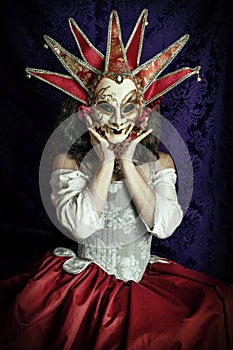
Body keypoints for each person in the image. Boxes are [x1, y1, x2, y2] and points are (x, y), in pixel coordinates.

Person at [0, 9, 233, 350]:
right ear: (87, 110)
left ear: (144, 111)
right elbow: (79, 227)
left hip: (140, 285)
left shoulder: (161, 162)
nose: (119, 118)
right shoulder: (68, 161)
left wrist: (127, 159)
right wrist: (106, 161)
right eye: (107, 106)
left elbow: (164, 225)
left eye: (130, 106)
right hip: (81, 290)